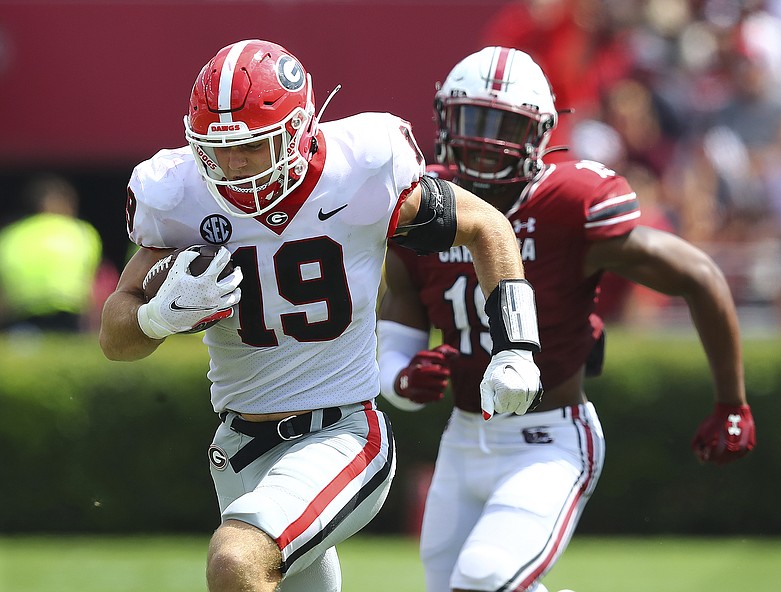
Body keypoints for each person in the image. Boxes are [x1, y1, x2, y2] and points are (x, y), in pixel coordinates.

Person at [98, 39, 543, 592]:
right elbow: (114, 335)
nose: (234, 165)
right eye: (217, 148)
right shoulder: (181, 196)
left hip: (342, 434)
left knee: (237, 560)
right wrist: (155, 319)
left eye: (254, 146)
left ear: (299, 132)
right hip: (237, 449)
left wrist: (517, 345)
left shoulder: (360, 172)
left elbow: (485, 225)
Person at [377, 46, 756, 592]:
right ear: (443, 119)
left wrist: (731, 401)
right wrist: (402, 379)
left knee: (483, 579)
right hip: (462, 438)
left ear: (540, 134)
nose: (484, 141)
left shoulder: (567, 202)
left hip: (547, 438)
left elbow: (698, 273)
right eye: (473, 120)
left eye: (504, 124)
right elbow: (399, 323)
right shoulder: (424, 204)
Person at [0, 174, 103, 332]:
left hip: (22, 313)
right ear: (68, 203)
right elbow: (92, 282)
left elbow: (4, 288)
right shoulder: (81, 231)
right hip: (68, 312)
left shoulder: (11, 234)